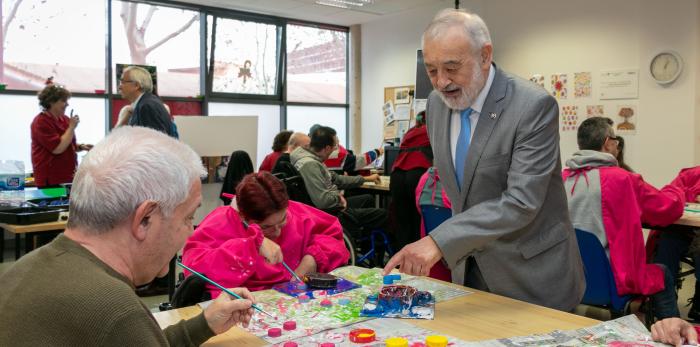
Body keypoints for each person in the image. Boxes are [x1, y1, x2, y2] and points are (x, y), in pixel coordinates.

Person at [383, 8, 585, 312]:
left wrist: (438, 242)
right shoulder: (438, 107)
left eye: (451, 67)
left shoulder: (532, 106)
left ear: (485, 56)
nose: (440, 82)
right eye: (431, 70)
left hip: (532, 274)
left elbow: (521, 202)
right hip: (472, 270)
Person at [0, 126, 255, 346]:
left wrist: (204, 324)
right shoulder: (114, 310)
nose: (191, 231)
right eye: (188, 217)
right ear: (144, 219)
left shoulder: (26, 268)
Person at [563, 117, 686, 320]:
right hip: (615, 281)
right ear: (607, 143)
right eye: (615, 140)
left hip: (569, 278)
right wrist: (678, 189)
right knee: (662, 272)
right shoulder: (623, 179)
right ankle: (671, 333)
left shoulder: (562, 178)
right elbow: (667, 209)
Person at [182, 171, 349, 294]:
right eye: (266, 227)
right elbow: (194, 269)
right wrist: (249, 247)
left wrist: (312, 258)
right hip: (246, 306)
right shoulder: (220, 223)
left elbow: (332, 235)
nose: (277, 232)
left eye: (283, 221)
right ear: (242, 215)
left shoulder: (297, 213)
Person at [291, 125, 387, 234]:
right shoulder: (310, 165)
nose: (335, 150)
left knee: (368, 199)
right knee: (383, 214)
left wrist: (365, 179)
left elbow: (337, 179)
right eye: (334, 146)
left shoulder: (312, 157)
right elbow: (323, 201)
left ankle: (363, 241)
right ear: (327, 148)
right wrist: (338, 198)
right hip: (329, 213)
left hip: (329, 207)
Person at [652, 165, 700, 319]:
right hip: (686, 233)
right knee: (668, 240)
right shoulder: (691, 174)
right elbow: (667, 195)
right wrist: (694, 195)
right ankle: (665, 303)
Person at [30, 83, 92, 187]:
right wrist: (71, 127)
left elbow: (67, 143)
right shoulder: (40, 122)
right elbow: (57, 148)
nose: (67, 104)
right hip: (50, 181)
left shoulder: (65, 120)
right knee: (54, 202)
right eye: (63, 101)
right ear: (51, 102)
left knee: (66, 203)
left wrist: (81, 146)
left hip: (68, 177)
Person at [389, 110, 433, 249]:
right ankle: (416, 266)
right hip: (417, 174)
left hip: (397, 175)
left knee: (402, 221)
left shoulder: (410, 131)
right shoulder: (432, 129)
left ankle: (401, 263)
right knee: (418, 220)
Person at [118, 66, 175, 137]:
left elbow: (153, 143)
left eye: (123, 82)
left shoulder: (147, 106)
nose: (119, 87)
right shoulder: (145, 103)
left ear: (136, 85)